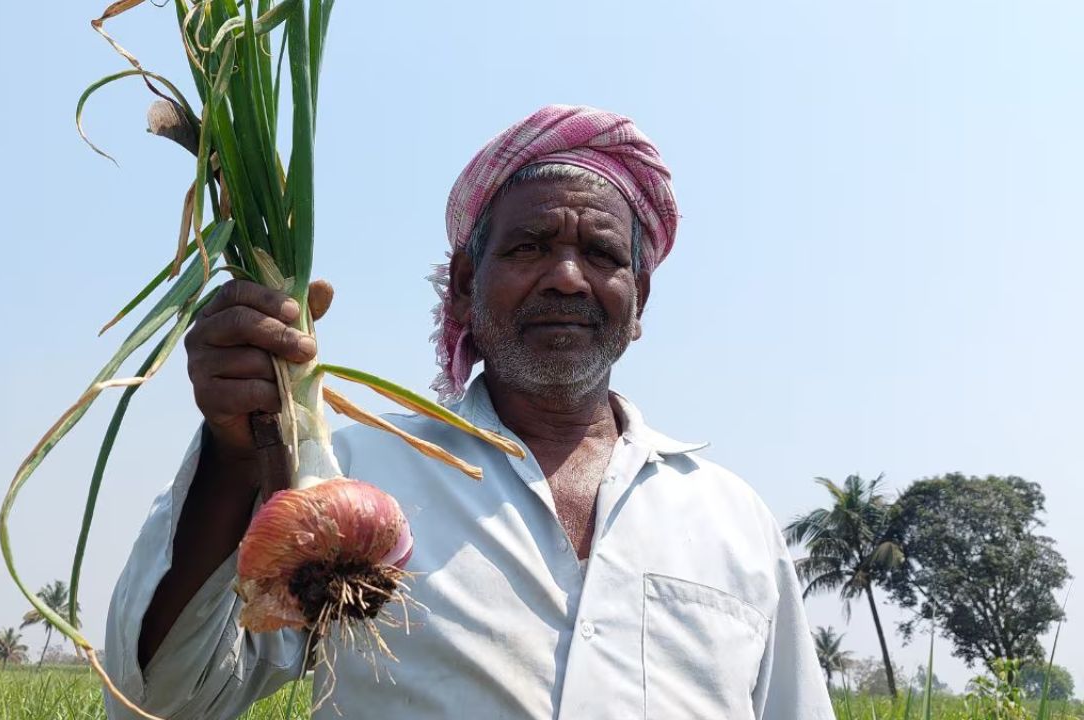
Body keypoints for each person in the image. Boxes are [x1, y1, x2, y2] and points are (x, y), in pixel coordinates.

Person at [103, 105, 836, 719]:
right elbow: (168, 701)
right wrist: (234, 458)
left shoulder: (731, 519)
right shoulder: (355, 482)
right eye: (529, 246)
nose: (568, 278)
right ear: (462, 287)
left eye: (603, 254)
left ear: (638, 301)